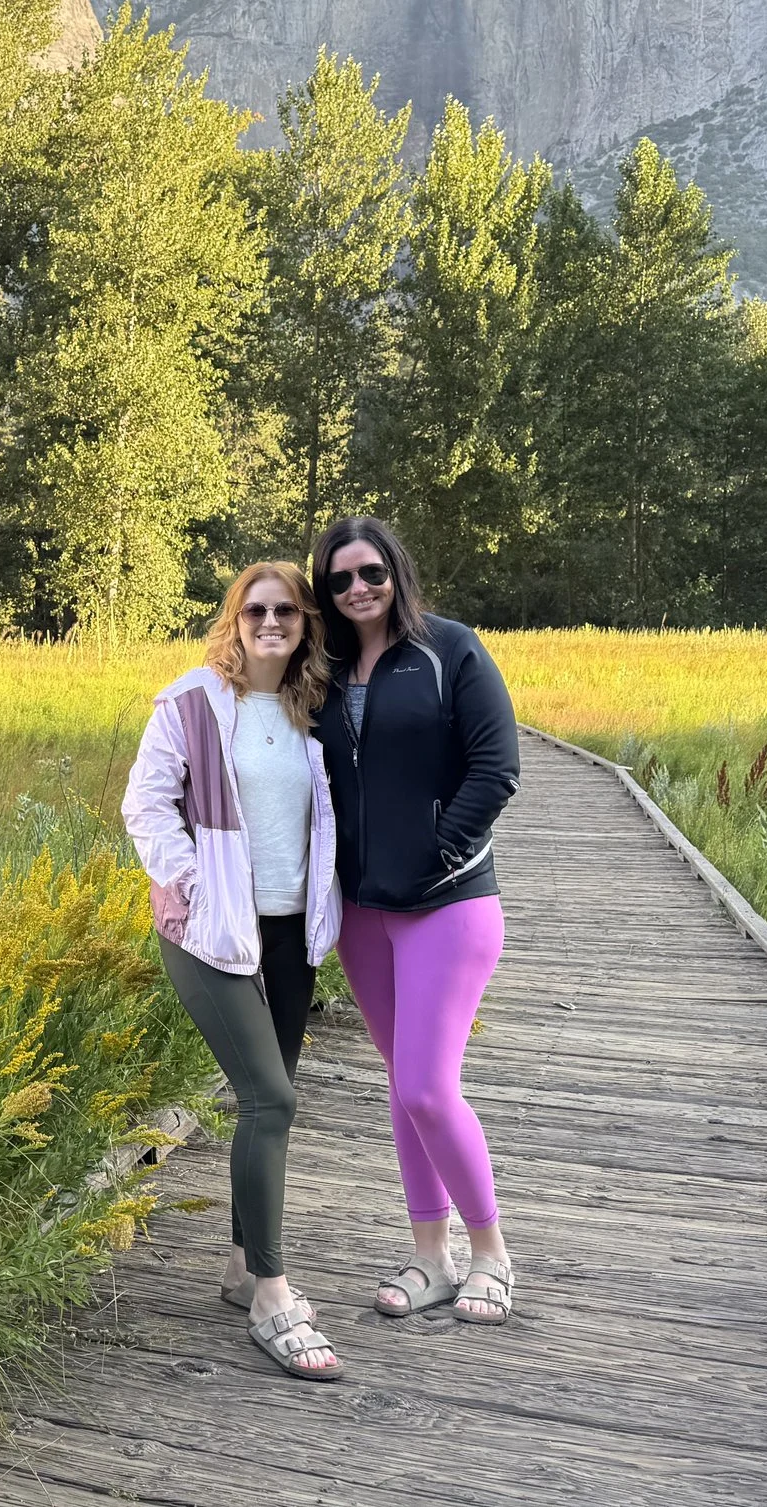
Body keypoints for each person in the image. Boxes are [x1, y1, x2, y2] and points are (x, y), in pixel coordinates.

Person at [121, 562, 345, 1381]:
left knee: (271, 1101)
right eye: (257, 608)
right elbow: (144, 803)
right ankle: (272, 1295)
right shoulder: (192, 701)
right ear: (235, 617)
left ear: (304, 622)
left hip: (288, 933)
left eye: (287, 609)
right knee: (270, 1096)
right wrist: (183, 885)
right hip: (210, 930)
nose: (272, 620)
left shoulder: (312, 709)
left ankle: (240, 1265)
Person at [311, 514, 523, 1326]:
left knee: (430, 1086)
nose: (358, 589)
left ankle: (492, 1252)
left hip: (448, 903)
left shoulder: (451, 648)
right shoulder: (322, 667)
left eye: (371, 572)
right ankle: (429, 1258)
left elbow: (497, 765)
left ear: (396, 570)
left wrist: (439, 849)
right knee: (404, 1087)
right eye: (340, 579)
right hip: (363, 911)